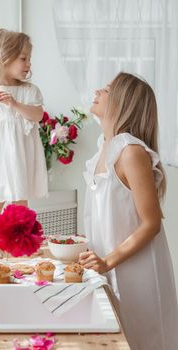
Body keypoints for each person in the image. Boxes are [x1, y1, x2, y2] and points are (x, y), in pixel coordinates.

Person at [80, 72, 178, 349]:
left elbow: (151, 223)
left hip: (137, 272)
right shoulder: (104, 148)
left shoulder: (130, 151)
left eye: (108, 89)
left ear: (123, 102)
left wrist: (107, 261)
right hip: (110, 267)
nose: (98, 90)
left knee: (142, 338)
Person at [0, 28, 48, 235]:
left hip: (21, 153)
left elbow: (38, 115)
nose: (28, 64)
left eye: (29, 59)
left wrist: (15, 104)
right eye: (23, 58)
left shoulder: (29, 91)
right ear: (4, 58)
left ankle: (19, 242)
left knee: (20, 199)